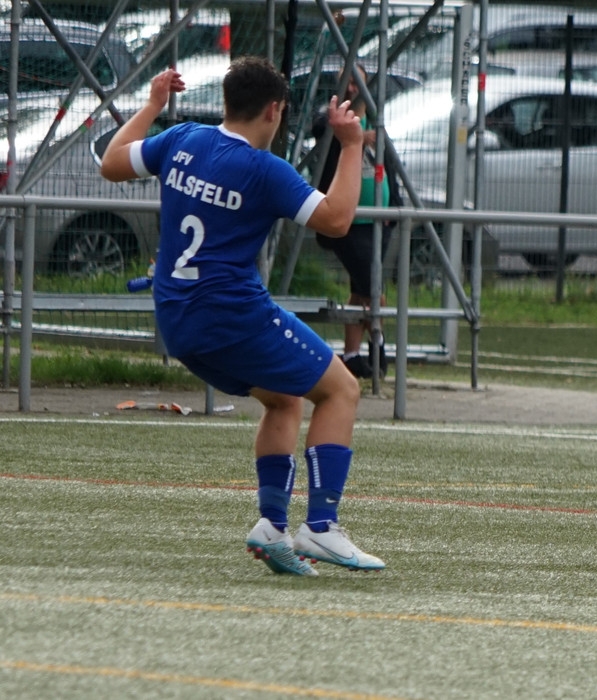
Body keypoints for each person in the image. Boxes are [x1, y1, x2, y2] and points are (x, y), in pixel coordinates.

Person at [100, 56, 385, 575]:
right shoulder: (262, 169)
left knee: (283, 400)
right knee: (341, 390)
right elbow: (338, 220)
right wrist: (349, 145)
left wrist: (153, 105)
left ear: (228, 101)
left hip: (178, 322)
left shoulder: (183, 138)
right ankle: (321, 527)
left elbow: (111, 162)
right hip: (231, 315)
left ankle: (272, 527)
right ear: (274, 110)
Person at [312, 63, 400, 380]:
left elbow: (390, 166)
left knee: (361, 288)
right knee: (372, 287)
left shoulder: (376, 118)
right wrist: (357, 137)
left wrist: (395, 206)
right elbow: (320, 129)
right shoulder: (331, 118)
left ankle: (351, 355)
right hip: (347, 222)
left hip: (378, 220)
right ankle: (378, 347)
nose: (351, 88)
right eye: (345, 82)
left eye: (356, 82)